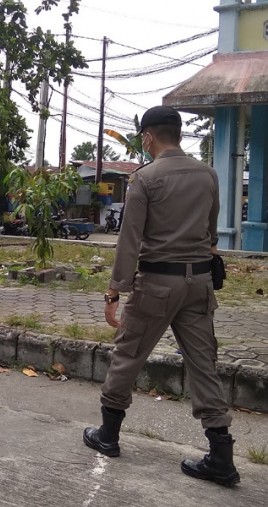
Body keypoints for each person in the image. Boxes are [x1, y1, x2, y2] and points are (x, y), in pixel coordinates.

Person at [83, 106, 240, 488]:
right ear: (179, 134)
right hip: (198, 283)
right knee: (203, 364)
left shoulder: (146, 179)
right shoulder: (208, 175)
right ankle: (221, 456)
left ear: (148, 137)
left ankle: (108, 435)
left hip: (155, 284)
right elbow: (210, 229)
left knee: (128, 355)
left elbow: (130, 240)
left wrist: (113, 291)